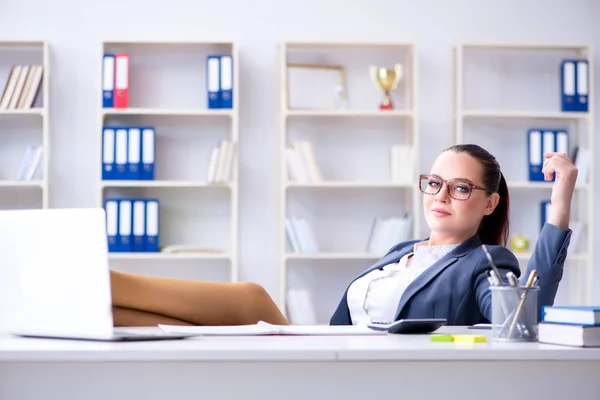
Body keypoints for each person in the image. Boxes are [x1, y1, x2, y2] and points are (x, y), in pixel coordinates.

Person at [111, 144, 576, 327]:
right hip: (320, 348)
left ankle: (99, 281)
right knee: (129, 321)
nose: (441, 194)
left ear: (488, 203)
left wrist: (559, 207)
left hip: (359, 376)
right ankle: (93, 294)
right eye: (434, 183)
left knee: (251, 298)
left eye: (460, 188)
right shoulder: (400, 252)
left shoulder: (488, 262)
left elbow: (520, 318)